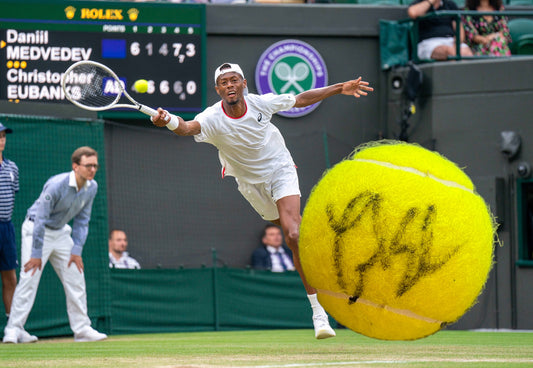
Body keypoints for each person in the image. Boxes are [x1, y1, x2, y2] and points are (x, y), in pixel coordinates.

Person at [151, 62, 373, 339]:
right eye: (224, 82)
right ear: (218, 89)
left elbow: (300, 98)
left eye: (235, 80)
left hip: (280, 171)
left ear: (244, 84)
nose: (230, 85)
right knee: (300, 238)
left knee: (293, 235)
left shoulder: (261, 103)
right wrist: (168, 121)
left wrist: (340, 88)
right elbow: (185, 128)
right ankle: (323, 247)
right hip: (249, 184)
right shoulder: (211, 118)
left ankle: (318, 312)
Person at [3, 146, 107, 343]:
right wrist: (36, 253)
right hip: (35, 230)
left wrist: (76, 250)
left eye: (95, 166)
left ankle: (82, 328)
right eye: (88, 165)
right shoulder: (56, 185)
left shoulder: (92, 187)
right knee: (29, 278)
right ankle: (14, 329)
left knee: (76, 276)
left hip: (60, 233)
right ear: (76, 166)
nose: (92, 170)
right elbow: (40, 218)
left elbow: (83, 221)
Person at [408, 0, 474, 61]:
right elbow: (413, 13)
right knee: (450, 53)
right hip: (428, 43)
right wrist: (431, 1)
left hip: (450, 41)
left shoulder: (450, 5)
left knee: (467, 53)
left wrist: (456, 45)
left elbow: (459, 30)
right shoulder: (419, 3)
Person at [0, 122, 18, 323]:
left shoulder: (13, 167)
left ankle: (13, 326)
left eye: (3, 136)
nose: (1, 140)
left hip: (6, 227)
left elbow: (12, 194)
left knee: (10, 278)